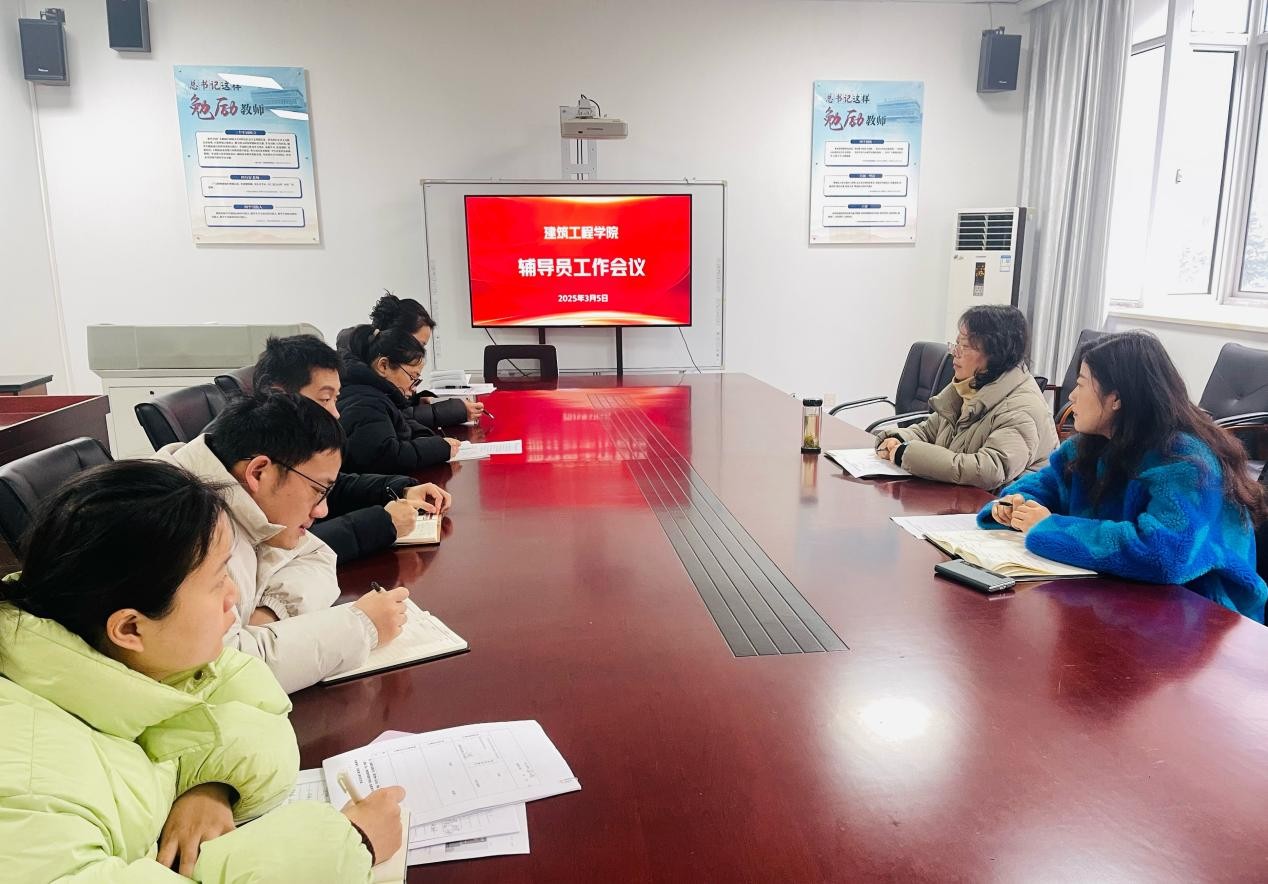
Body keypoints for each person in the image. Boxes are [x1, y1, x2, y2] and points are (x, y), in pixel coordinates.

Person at [0, 460, 405, 880]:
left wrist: (210, 785)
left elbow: (255, 701)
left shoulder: (130, 657)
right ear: (130, 628)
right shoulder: (28, 790)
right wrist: (349, 843)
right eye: (216, 582)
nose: (234, 596)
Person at [981, 331, 1268, 622]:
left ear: (1116, 398)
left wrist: (1049, 527)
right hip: (1122, 597)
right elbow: (1042, 485)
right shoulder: (1088, 445)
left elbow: (1164, 554)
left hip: (1205, 615)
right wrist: (1015, 505)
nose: (1071, 396)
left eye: (1081, 384)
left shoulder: (1187, 462)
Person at [153, 393, 410, 691]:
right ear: (259, 472)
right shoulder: (178, 528)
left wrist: (272, 612)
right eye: (319, 490)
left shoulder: (236, 494)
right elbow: (215, 676)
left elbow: (317, 555)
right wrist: (362, 627)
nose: (322, 510)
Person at [250, 334, 453, 562]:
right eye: (325, 399)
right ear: (279, 394)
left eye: (335, 399)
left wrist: (401, 488)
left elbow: (334, 486)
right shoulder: (248, 459)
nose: (336, 414)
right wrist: (381, 524)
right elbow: (279, 552)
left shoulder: (284, 442)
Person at [874, 305, 1058, 491]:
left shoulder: (1021, 409)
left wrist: (907, 454)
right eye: (956, 344)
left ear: (995, 354)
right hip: (957, 498)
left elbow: (988, 470)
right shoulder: (969, 388)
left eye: (965, 346)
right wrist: (897, 439)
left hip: (1001, 505)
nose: (955, 352)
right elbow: (928, 431)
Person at [337, 292, 483, 426]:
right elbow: (393, 418)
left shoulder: (367, 359)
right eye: (419, 344)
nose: (420, 352)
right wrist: (454, 411)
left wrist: (414, 400)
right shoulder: (358, 375)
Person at [337, 325, 461, 473]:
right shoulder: (365, 402)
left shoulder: (378, 393)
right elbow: (385, 457)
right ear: (383, 366)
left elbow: (404, 423)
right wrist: (439, 448)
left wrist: (427, 438)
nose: (413, 388)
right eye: (412, 377)